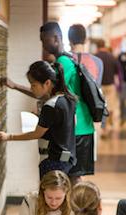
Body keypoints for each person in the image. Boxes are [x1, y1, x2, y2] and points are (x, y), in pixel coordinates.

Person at [0, 60, 76, 179]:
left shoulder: (50, 105)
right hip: (67, 159)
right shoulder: (68, 99)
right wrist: (16, 86)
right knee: (59, 195)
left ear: (47, 83)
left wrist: (9, 137)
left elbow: (37, 133)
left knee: (48, 196)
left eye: (34, 85)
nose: (32, 88)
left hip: (52, 161)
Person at [40, 22, 97, 184]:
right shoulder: (65, 60)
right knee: (71, 175)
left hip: (77, 129)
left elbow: (46, 91)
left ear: (56, 38)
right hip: (78, 126)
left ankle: (79, 208)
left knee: (74, 176)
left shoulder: (63, 63)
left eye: (45, 40)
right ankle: (73, 208)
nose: (43, 45)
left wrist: (15, 86)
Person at [96, 39, 120, 137]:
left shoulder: (95, 57)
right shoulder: (112, 57)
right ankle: (109, 126)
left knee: (101, 107)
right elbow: (117, 71)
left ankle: (104, 127)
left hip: (99, 86)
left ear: (97, 47)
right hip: (110, 85)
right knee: (110, 107)